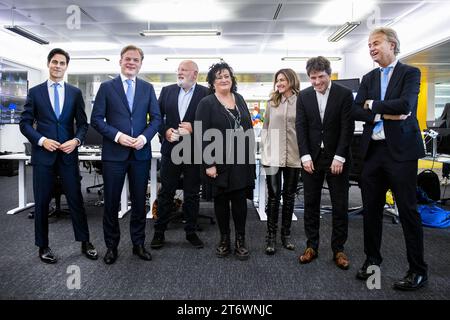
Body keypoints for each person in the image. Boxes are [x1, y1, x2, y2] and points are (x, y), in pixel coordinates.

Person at [352, 27, 428, 290]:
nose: (371, 48)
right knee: (370, 211)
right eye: (369, 45)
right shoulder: (369, 77)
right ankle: (372, 262)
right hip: (373, 153)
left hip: (401, 153)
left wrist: (372, 106)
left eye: (376, 43)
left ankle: (418, 270)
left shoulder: (411, 73)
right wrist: (384, 112)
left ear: (392, 44)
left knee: (407, 211)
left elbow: (405, 106)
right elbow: (355, 110)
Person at [20, 48, 98, 263]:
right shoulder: (35, 92)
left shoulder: (74, 93)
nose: (58, 66)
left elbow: (83, 124)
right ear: (48, 64)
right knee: (42, 202)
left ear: (66, 66)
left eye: (62, 63)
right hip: (43, 156)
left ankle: (85, 241)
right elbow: (25, 123)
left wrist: (76, 140)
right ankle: (43, 246)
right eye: (54, 62)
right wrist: (42, 140)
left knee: (76, 199)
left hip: (67, 155)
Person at [91, 45, 161, 264]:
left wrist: (144, 138)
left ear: (141, 64)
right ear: (120, 61)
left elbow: (156, 119)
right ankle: (111, 247)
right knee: (111, 202)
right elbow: (97, 119)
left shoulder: (147, 88)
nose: (131, 63)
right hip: (114, 153)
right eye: (128, 59)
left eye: (136, 60)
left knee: (140, 201)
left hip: (140, 153)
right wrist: (118, 136)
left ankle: (138, 244)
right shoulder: (106, 87)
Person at [295, 56, 354, 270]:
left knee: (340, 205)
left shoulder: (344, 94)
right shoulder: (304, 96)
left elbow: (347, 127)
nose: (317, 82)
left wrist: (340, 156)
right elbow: (300, 127)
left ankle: (339, 249)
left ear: (329, 75)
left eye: (321, 77)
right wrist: (304, 156)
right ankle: (312, 246)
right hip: (311, 158)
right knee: (311, 204)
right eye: (313, 78)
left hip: (336, 157)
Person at [195, 62, 255, 260]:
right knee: (221, 202)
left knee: (239, 202)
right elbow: (201, 135)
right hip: (218, 161)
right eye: (219, 77)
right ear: (212, 82)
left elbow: (247, 128)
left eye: (227, 76)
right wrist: (208, 163)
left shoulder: (239, 98)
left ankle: (240, 240)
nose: (224, 79)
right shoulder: (207, 103)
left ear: (232, 79)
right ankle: (224, 239)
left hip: (240, 161)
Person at [150, 60, 209, 249]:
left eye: (184, 70)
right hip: (171, 150)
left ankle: (191, 232)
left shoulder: (205, 93)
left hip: (194, 152)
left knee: (192, 194)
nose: (179, 72)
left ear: (195, 74)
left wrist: (194, 128)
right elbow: (156, 117)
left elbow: (211, 122)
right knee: (166, 192)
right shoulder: (167, 91)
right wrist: (165, 132)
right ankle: (159, 232)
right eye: (178, 70)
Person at [261, 68, 301, 255]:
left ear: (291, 80)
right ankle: (271, 237)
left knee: (290, 195)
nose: (279, 83)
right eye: (277, 80)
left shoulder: (301, 101)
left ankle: (286, 235)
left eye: (283, 79)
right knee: (273, 195)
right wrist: (265, 150)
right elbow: (266, 128)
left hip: (294, 154)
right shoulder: (272, 102)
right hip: (272, 156)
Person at [439, 103, 450, 185]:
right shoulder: (448, 105)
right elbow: (442, 119)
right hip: (448, 136)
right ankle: (445, 176)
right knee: (446, 157)